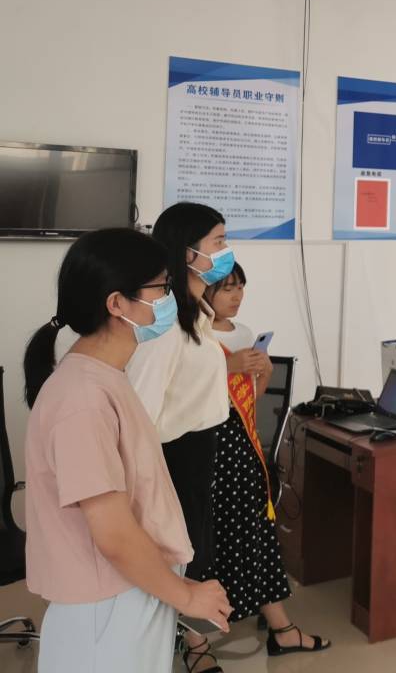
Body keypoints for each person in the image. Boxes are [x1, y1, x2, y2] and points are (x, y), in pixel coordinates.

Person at [22, 228, 231, 672]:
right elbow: (113, 533)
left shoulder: (106, 377)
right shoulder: (82, 399)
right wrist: (187, 596)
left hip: (130, 590)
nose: (171, 298)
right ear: (117, 303)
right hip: (107, 606)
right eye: (162, 288)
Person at [126, 202, 235, 672]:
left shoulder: (196, 314)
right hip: (173, 455)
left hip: (202, 447)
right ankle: (176, 651)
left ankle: (190, 644)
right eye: (219, 242)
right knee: (176, 558)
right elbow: (140, 410)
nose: (226, 251)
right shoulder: (166, 324)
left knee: (193, 554)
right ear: (188, 252)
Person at [204, 262, 330, 656]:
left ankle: (280, 626)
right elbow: (190, 399)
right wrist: (224, 366)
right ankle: (199, 634)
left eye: (240, 287)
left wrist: (264, 375)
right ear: (204, 292)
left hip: (241, 442)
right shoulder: (194, 336)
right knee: (213, 536)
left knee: (256, 530)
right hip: (207, 445)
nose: (237, 296)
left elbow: (250, 400)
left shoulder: (243, 333)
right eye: (227, 288)